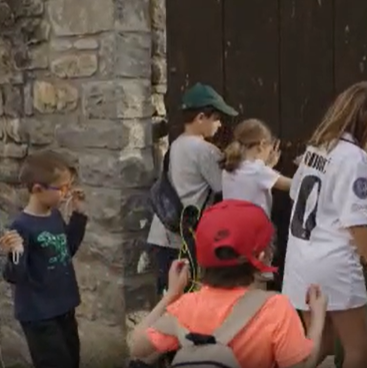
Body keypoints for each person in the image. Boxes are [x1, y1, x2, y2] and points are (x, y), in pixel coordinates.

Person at [129, 199, 327, 368]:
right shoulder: (276, 308)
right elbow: (303, 364)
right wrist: (317, 319)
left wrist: (172, 295)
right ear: (263, 256)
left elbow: (137, 347)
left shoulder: (186, 306)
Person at [282, 81, 367, 368]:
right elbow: (356, 222)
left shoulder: (315, 149)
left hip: (300, 258)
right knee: (357, 347)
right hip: (334, 261)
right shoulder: (354, 158)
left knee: (316, 343)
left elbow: (296, 193)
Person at [0, 150, 88, 368]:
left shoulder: (54, 216)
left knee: (72, 360)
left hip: (63, 308)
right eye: (62, 188)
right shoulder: (22, 226)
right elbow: (14, 275)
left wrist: (78, 215)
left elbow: (67, 250)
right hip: (39, 314)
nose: (67, 193)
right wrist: (16, 251)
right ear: (38, 189)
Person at [146, 83, 238, 295]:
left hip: (163, 235)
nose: (220, 124)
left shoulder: (176, 145)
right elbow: (224, 188)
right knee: (186, 305)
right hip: (182, 242)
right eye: (216, 118)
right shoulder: (205, 151)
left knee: (169, 301)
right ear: (200, 118)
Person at [221, 119, 292, 283]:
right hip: (255, 236)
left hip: (231, 233)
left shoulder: (230, 168)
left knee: (238, 279)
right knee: (258, 280)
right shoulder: (259, 171)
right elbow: (293, 186)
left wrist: (267, 167)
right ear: (261, 145)